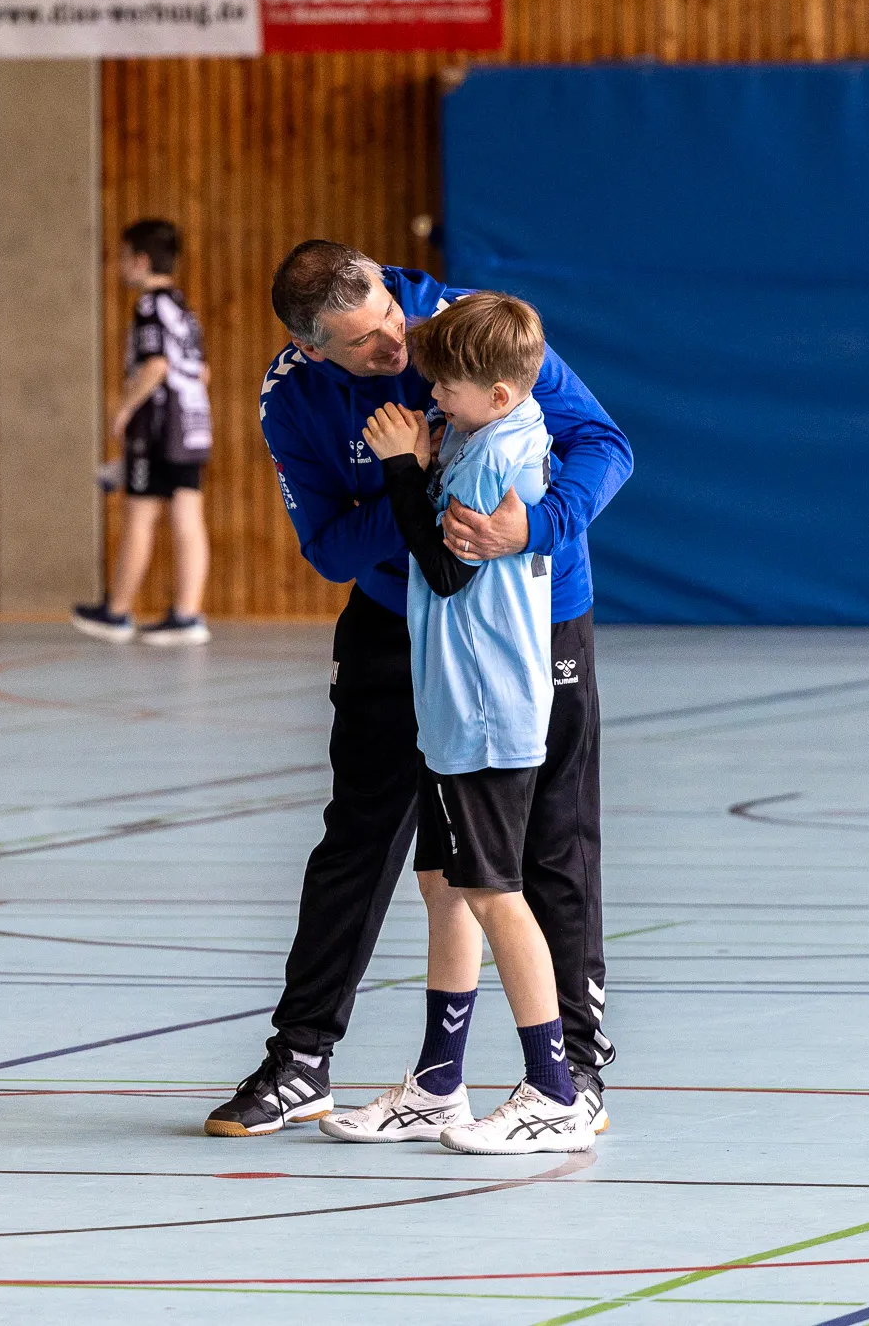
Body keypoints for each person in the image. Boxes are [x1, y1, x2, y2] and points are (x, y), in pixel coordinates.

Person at [202, 241, 630, 1139]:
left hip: (523, 628)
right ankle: (307, 1060)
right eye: (366, 346)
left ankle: (571, 1072)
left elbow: (603, 443)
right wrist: (419, 487)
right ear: (317, 349)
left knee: (541, 844)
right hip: (402, 623)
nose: (398, 352)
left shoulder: (469, 329)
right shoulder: (295, 395)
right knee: (379, 845)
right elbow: (326, 547)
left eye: (392, 320)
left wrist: (531, 526)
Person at [320, 293, 590, 1152]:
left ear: (501, 395)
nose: (432, 396)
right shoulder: (481, 434)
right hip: (452, 703)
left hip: (484, 707)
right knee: (442, 884)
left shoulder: (492, 457)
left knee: (492, 891)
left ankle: (555, 1088)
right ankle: (440, 1083)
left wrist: (403, 466)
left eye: (448, 387)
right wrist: (432, 451)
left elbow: (441, 570)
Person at [72, 219, 213, 647]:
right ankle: (187, 614)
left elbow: (155, 366)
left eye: (122, 258)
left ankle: (116, 612)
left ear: (140, 260)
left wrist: (124, 409)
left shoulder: (150, 306)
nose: (119, 267)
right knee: (188, 516)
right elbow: (202, 372)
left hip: (158, 427)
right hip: (192, 425)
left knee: (140, 514)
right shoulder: (183, 310)